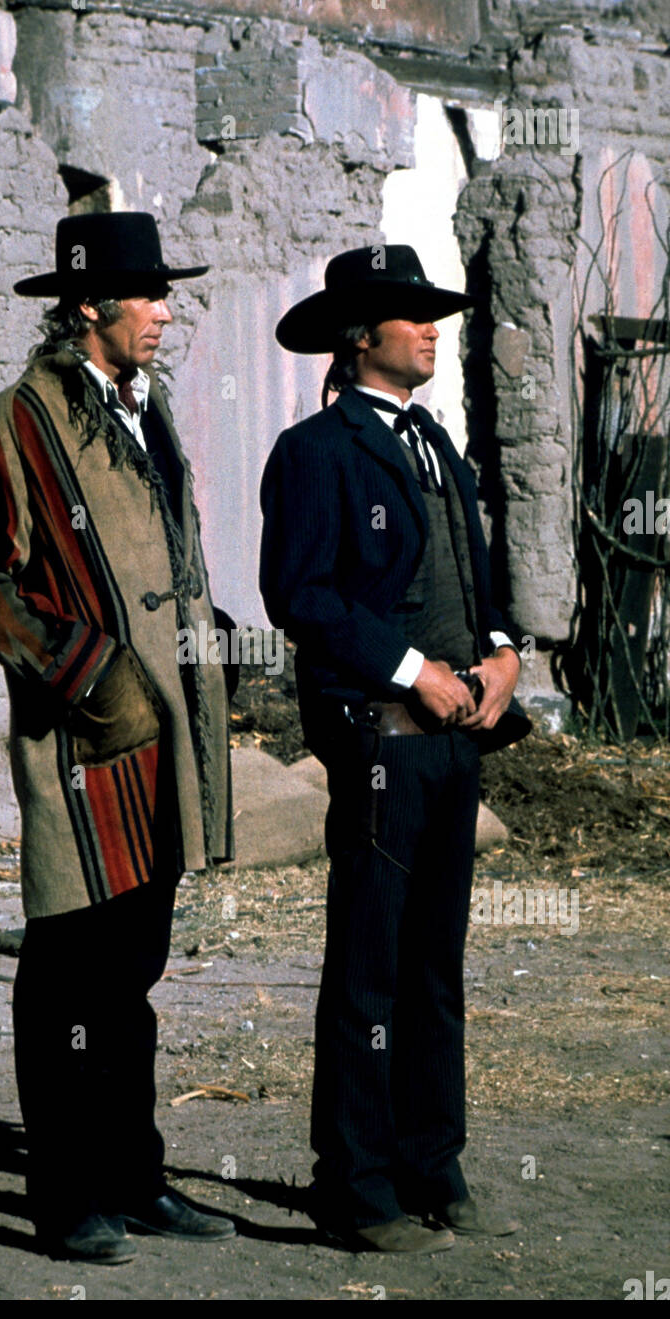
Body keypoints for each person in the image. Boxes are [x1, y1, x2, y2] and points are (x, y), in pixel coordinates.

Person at [0, 212, 236, 1264]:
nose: (165, 308)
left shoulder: (141, 412)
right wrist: (91, 675)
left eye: (164, 291)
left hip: (166, 749)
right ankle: (69, 1195)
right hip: (82, 753)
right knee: (68, 976)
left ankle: (133, 1174)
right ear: (87, 310)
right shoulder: (14, 425)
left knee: (132, 973)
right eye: (147, 293)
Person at [259, 244, 531, 1254]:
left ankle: (432, 1159)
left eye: (431, 315)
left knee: (434, 969)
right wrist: (411, 666)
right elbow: (304, 598)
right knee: (369, 970)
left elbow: (477, 583)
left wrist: (501, 654)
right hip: (380, 746)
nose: (429, 328)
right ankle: (358, 1184)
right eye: (406, 315)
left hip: (457, 747)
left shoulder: (442, 451)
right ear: (357, 336)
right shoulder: (314, 452)